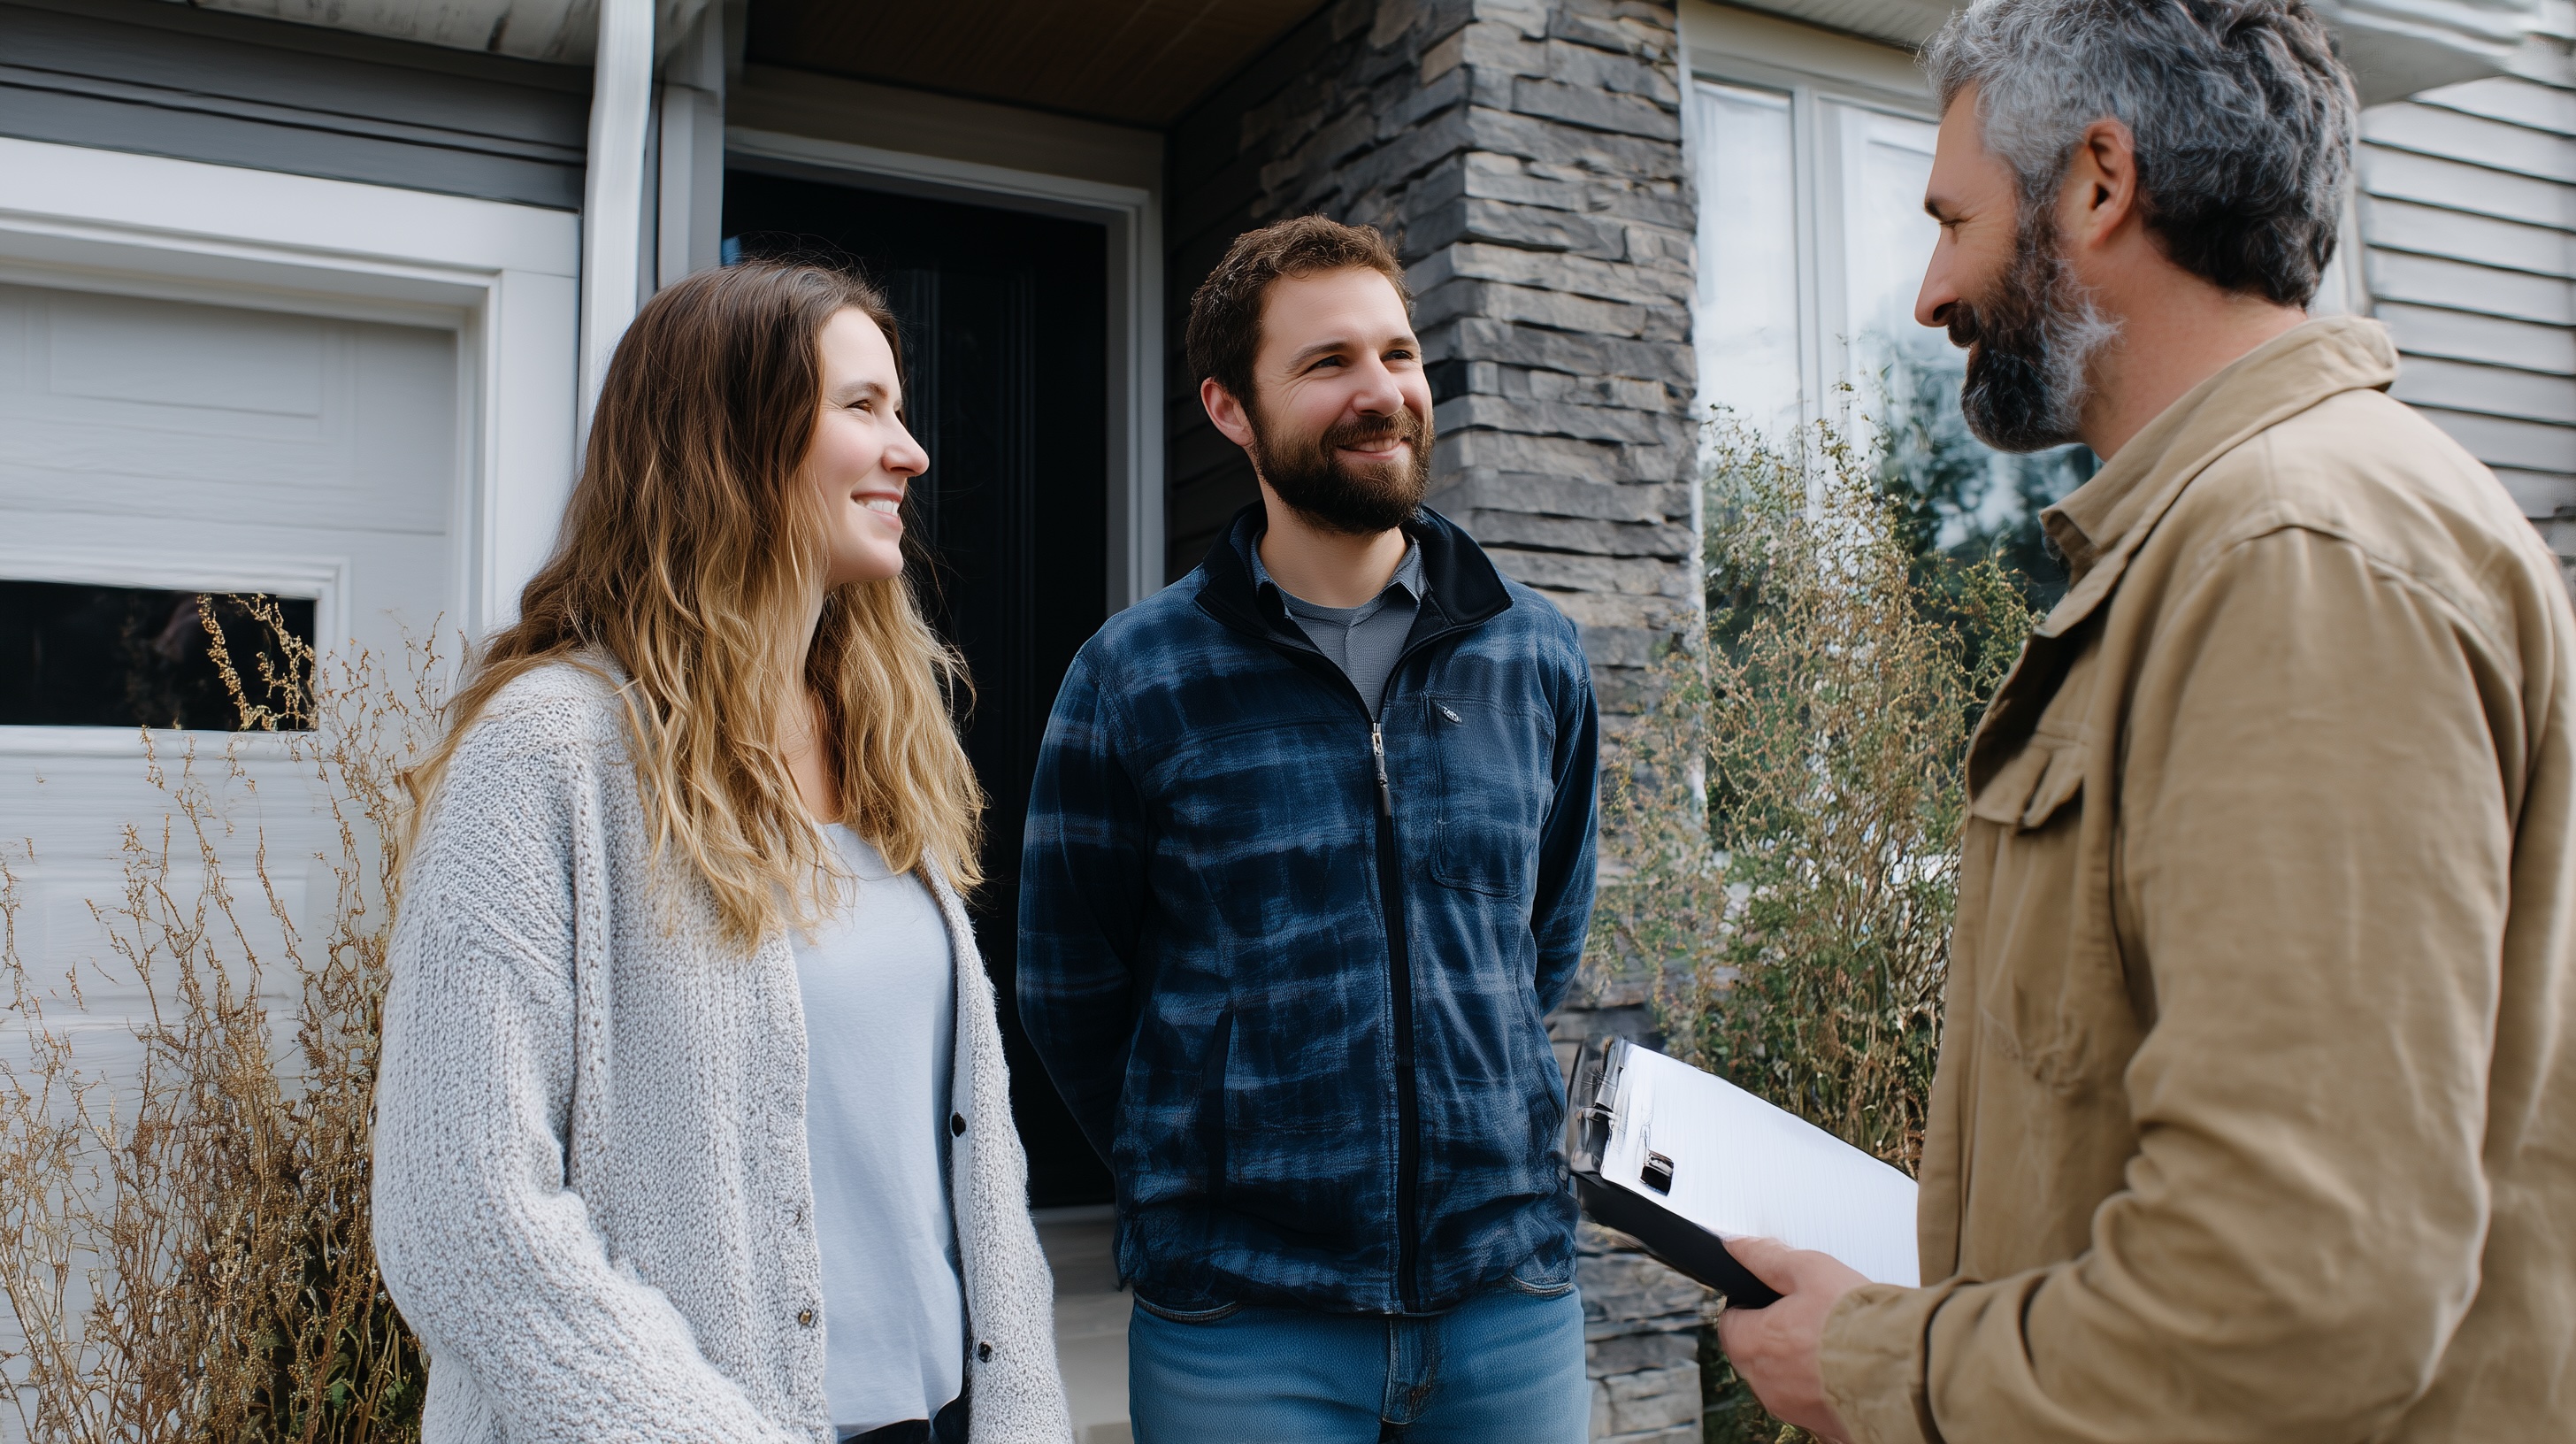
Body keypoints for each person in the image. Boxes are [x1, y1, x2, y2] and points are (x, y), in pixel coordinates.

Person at [1715, 2, 2576, 1440]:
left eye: (1954, 219)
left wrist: (1877, 1367)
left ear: (2100, 184)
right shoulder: (2229, 544)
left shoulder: (2293, 557)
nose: (1932, 293)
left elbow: (2293, 1298)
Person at [372, 260, 1071, 1444]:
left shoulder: (883, 738)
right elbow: (461, 1215)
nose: (911, 452)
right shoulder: (551, 752)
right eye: (863, 408)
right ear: (727, 443)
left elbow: (964, 1164)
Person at [1016, 217, 1601, 1442]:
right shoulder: (1137, 677)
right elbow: (1069, 988)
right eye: (1329, 362)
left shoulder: (1532, 653)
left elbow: (1539, 946)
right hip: (1245, 1326)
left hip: (1510, 1303)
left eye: (1399, 353)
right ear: (1230, 410)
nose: (1381, 392)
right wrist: (1208, 1161)